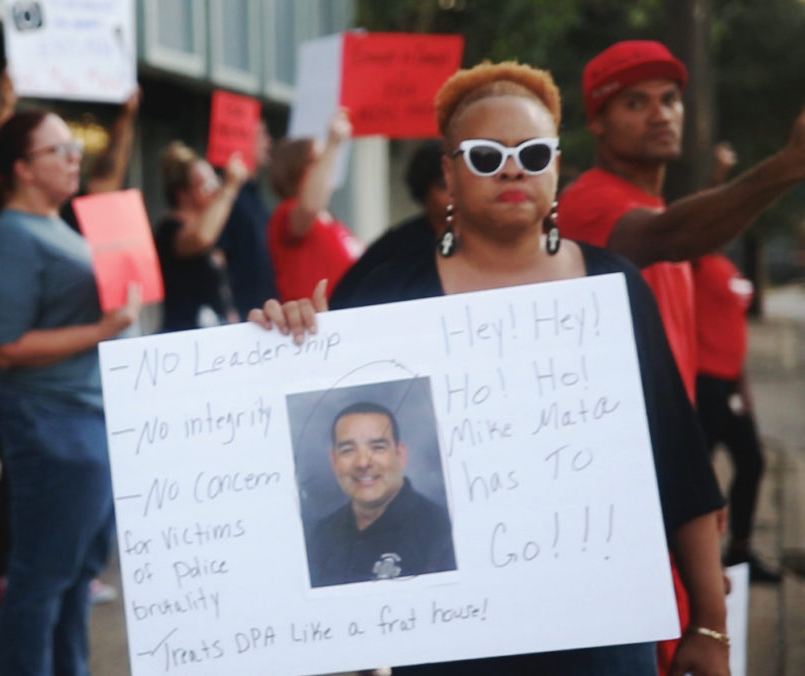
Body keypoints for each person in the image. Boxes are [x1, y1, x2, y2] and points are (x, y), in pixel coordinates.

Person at [252, 61, 729, 675]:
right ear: (448, 173)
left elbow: (678, 459)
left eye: (532, 154)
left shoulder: (614, 287)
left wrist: (709, 625)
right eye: (484, 156)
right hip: (449, 645)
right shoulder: (388, 295)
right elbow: (310, 429)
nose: (511, 168)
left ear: (557, 165)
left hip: (601, 630)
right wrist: (292, 338)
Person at [0, 110, 141, 674]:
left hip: (84, 416)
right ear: (21, 168)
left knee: (74, 578)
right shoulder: (12, 236)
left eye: (73, 146)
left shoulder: (60, 223)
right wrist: (100, 331)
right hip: (49, 419)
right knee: (41, 578)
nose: (73, 157)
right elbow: (5, 346)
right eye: (58, 150)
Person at [557, 40, 805, 401]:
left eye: (670, 99)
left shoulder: (656, 207)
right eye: (635, 103)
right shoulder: (587, 200)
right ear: (596, 122)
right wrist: (790, 164)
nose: (661, 115)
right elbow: (672, 237)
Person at [693, 143, 780, 583]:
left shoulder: (727, 268)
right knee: (696, 476)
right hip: (703, 383)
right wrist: (718, 178)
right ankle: (692, 563)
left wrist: (742, 383)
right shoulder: (696, 263)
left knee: (752, 462)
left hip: (730, 384)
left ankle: (740, 552)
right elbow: (701, 217)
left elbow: (732, 329)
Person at [305, 402, 456, 588]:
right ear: (334, 460)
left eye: (377, 447)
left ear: (400, 455)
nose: (362, 462)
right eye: (348, 450)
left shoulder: (441, 532)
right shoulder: (320, 536)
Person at [329, 141, 449, 309]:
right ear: (424, 191)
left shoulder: (479, 242)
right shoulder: (398, 246)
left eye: (459, 184)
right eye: (443, 186)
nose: (454, 194)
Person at [268, 108, 362, 302]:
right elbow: (309, 207)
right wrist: (333, 143)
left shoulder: (331, 222)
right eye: (317, 161)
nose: (327, 166)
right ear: (296, 169)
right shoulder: (286, 214)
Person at [155, 141, 247, 332]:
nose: (215, 190)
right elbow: (200, 237)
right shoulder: (169, 229)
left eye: (216, 182)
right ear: (183, 195)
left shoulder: (212, 229)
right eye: (207, 185)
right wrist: (229, 188)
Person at [217, 120, 279, 319]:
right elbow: (217, 260)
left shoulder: (255, 197)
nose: (269, 143)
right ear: (242, 142)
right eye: (262, 136)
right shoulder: (226, 200)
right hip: (243, 319)